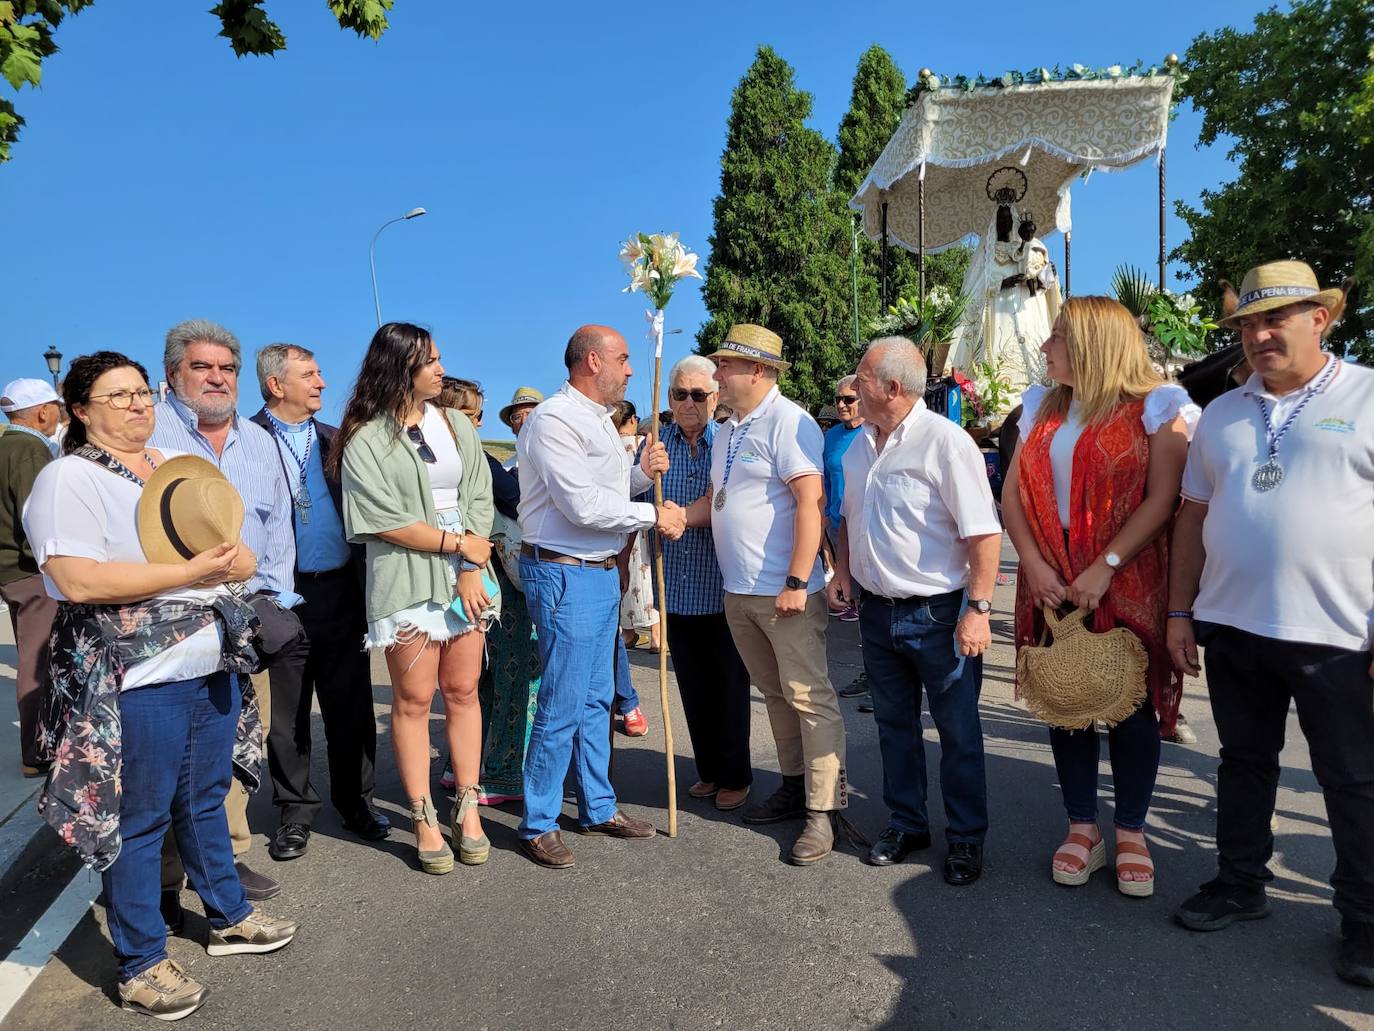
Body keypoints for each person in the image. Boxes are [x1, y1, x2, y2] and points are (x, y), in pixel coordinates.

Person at [24, 351, 296, 1021]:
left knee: (205, 800)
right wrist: (187, 573)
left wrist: (235, 559)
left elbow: (236, 550)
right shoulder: (70, 477)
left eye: (142, 392)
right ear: (80, 409)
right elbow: (75, 579)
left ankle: (228, 914)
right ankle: (141, 962)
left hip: (207, 661)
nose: (138, 404)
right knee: (140, 822)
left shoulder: (169, 470)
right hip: (137, 677)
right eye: (117, 396)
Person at [1166, 260, 1374, 987]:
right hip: (1233, 625)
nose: (1257, 335)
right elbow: (1191, 519)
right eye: (1248, 324)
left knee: (1351, 778)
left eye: (1273, 319)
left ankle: (1366, 922)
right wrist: (1179, 610)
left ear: (1321, 318)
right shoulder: (1222, 413)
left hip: (1340, 633)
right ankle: (1240, 882)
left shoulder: (1369, 394)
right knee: (1244, 764)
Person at [1001, 296, 1197, 898]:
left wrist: (1106, 566)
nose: (1044, 347)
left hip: (1127, 574)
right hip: (1052, 575)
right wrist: (1031, 564)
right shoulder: (1040, 409)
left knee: (1130, 705)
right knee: (1068, 696)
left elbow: (1164, 500)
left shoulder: (1158, 408)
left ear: (1092, 342)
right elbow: (1010, 495)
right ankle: (1082, 826)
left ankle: (1132, 829)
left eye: (1056, 336)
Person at [827, 337, 1003, 885]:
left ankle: (966, 838)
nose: (851, 388)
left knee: (958, 731)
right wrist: (844, 573)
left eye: (861, 379)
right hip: (878, 613)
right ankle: (908, 823)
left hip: (941, 614)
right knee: (893, 728)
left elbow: (983, 533)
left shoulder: (945, 443)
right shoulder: (859, 447)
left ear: (892, 388)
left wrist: (978, 608)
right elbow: (851, 519)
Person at [515, 324, 683, 869]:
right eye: (623, 359)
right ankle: (539, 820)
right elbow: (581, 507)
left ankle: (597, 806)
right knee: (564, 699)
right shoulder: (555, 419)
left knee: (595, 698)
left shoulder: (598, 422)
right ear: (593, 361)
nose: (631, 370)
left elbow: (607, 493)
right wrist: (653, 513)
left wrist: (640, 474)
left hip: (597, 571)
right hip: (566, 571)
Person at [334, 323, 498, 875]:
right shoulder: (365, 438)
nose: (441, 369)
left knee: (463, 690)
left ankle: (468, 808)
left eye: (439, 358)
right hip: (406, 578)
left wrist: (472, 564)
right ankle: (424, 816)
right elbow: (380, 519)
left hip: (467, 573)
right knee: (412, 699)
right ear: (399, 366)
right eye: (430, 360)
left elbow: (480, 491)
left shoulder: (454, 423)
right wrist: (457, 546)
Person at [150, 318, 301, 907]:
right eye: (202, 367)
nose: (217, 378)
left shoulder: (258, 441)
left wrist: (279, 601)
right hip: (170, 620)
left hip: (243, 618)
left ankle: (226, 861)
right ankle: (164, 879)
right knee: (168, 756)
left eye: (227, 368)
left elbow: (278, 527)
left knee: (231, 748)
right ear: (172, 375)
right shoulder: (152, 433)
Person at [689, 324, 848, 866]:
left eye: (725, 366)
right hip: (740, 592)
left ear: (758, 371)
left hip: (785, 593)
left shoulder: (791, 422)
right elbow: (718, 498)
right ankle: (793, 784)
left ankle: (822, 812)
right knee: (777, 696)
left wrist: (798, 582)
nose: (716, 375)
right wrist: (677, 517)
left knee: (809, 696)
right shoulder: (729, 429)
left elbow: (811, 504)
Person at [249, 343, 389, 862]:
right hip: (281, 597)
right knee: (287, 714)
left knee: (350, 705)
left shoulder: (335, 440)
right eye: (309, 374)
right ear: (275, 385)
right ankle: (295, 813)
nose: (323, 383)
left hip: (340, 590)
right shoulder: (246, 440)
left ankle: (357, 803)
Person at [437, 376, 540, 805]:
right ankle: (502, 773)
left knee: (474, 676)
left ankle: (460, 763)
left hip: (452, 575)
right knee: (513, 670)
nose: (477, 425)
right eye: (472, 415)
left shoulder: (429, 459)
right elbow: (518, 501)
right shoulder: (477, 458)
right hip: (496, 577)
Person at [656, 355, 753, 810]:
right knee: (692, 687)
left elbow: (724, 501)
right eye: (681, 394)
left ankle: (735, 773)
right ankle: (709, 769)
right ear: (670, 397)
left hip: (721, 585)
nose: (690, 403)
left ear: (715, 397)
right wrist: (641, 472)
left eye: (699, 394)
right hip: (675, 586)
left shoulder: (727, 442)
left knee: (729, 686)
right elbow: (633, 498)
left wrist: (682, 516)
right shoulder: (655, 446)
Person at [0, 378, 61, 777]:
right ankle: (37, 753)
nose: (59, 413)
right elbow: (36, 514)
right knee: (39, 660)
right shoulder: (29, 448)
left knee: (30, 654)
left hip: (11, 571)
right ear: (41, 411)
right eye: (55, 406)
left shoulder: (6, 444)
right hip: (31, 571)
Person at [949, 205, 1062, 395]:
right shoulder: (988, 252)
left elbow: (1042, 277)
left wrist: (1038, 276)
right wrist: (1001, 283)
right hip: (998, 313)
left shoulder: (1034, 247)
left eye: (1008, 219)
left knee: (1033, 359)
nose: (1005, 223)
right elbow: (977, 286)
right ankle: (992, 398)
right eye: (1001, 219)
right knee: (997, 363)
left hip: (1027, 311)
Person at [610, 399, 653, 737]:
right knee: (609, 635)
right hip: (608, 546)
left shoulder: (635, 447)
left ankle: (626, 701)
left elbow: (627, 496)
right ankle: (621, 702)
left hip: (624, 539)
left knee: (611, 635)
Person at [823, 376, 864, 625]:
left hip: (863, 519)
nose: (841, 405)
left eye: (848, 399)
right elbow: (825, 476)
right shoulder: (831, 436)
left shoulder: (873, 431)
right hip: (837, 520)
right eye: (838, 399)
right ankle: (850, 602)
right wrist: (826, 512)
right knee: (843, 569)